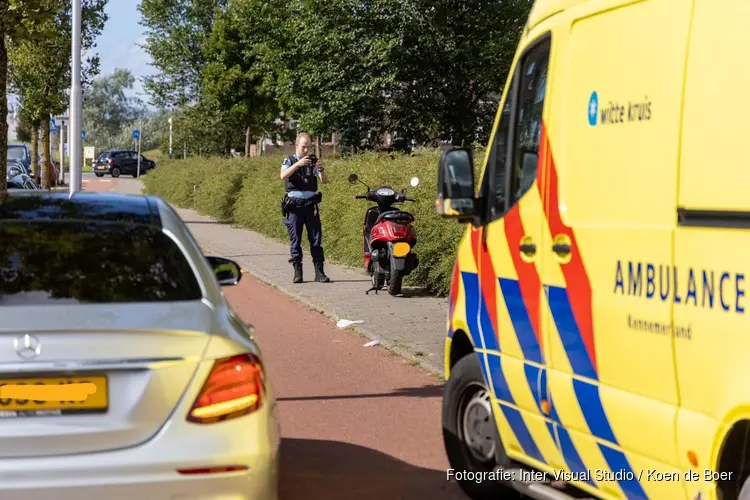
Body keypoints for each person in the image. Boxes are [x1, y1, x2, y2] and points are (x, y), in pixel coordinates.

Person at [280, 132, 331, 283]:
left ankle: (319, 272)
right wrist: (297, 164)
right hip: (294, 206)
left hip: (310, 206)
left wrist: (320, 169)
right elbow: (283, 175)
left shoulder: (311, 162)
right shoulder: (289, 160)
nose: (306, 150)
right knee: (295, 239)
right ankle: (298, 272)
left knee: (316, 239)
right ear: (297, 146)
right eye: (303, 147)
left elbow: (324, 181)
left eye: (308, 147)